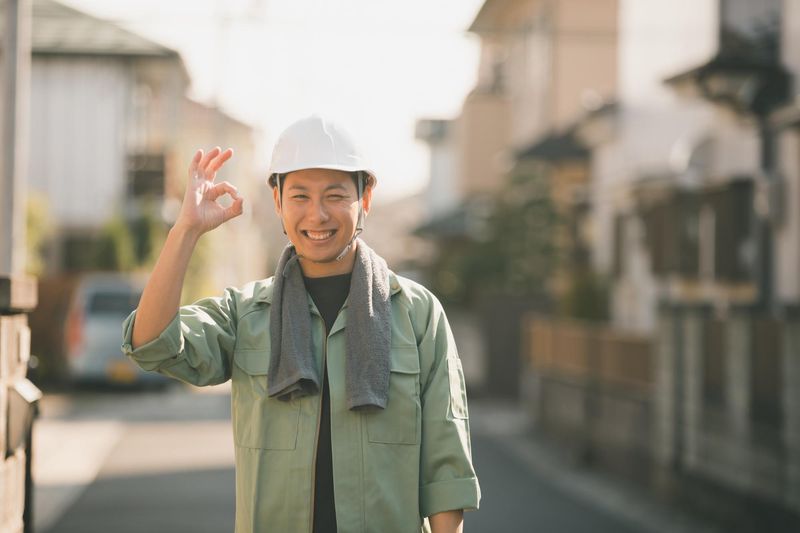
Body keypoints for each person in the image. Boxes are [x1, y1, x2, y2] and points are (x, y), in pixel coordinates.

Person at [122, 114, 480, 533]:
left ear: (365, 198)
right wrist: (186, 230)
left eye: (334, 195)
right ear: (277, 201)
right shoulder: (245, 314)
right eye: (300, 196)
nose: (317, 215)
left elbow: (446, 471)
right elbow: (151, 344)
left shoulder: (418, 315)